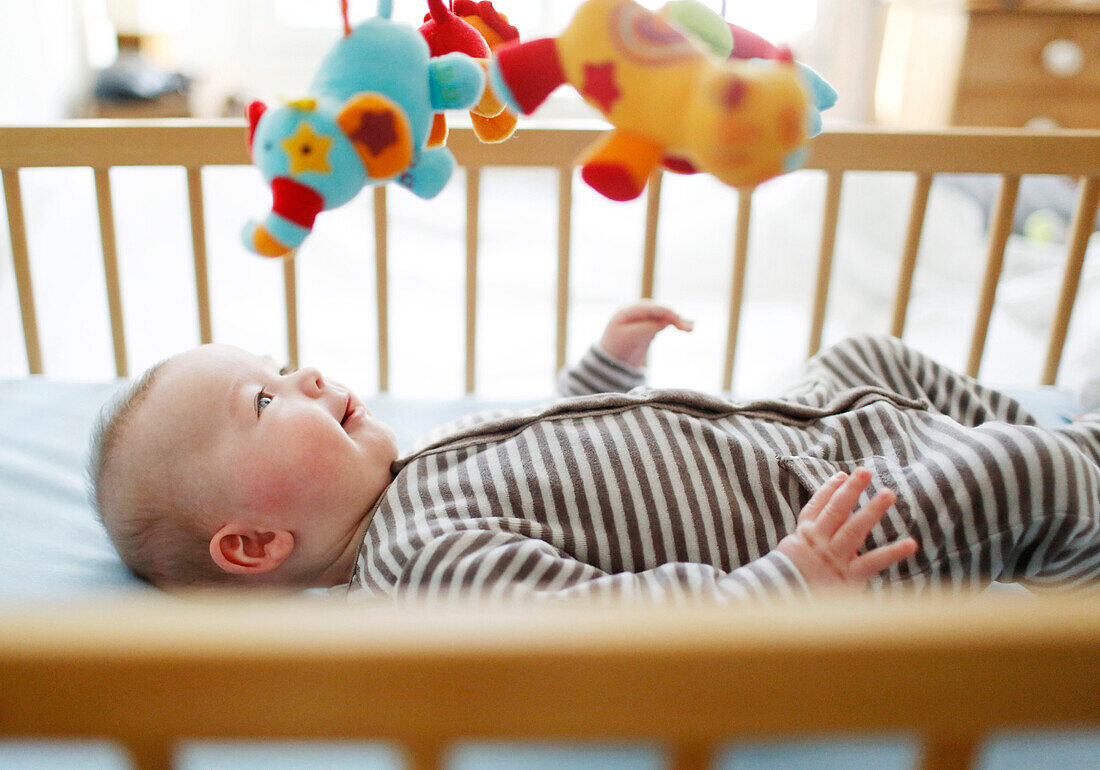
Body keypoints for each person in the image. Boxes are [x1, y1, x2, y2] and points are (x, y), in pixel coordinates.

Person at [89, 302, 1100, 601]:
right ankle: (1069, 506)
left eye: (281, 360)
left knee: (862, 354)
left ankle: (1061, 441)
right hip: (837, 529)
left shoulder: (404, 473)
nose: (306, 373)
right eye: (263, 397)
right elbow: (616, 626)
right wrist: (789, 578)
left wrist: (604, 371)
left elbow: (548, 444)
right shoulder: (419, 562)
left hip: (794, 429)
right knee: (996, 469)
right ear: (256, 543)